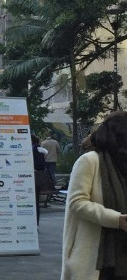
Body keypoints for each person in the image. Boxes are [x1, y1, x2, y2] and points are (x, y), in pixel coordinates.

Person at [61, 111, 127, 280]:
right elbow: (76, 202)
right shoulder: (90, 161)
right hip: (96, 257)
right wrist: (116, 219)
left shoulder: (123, 164)